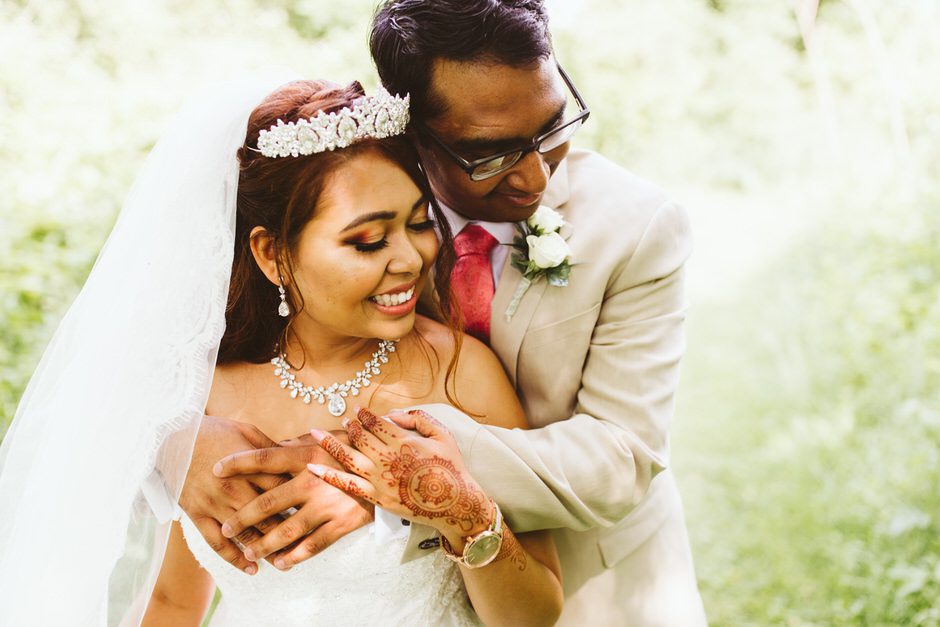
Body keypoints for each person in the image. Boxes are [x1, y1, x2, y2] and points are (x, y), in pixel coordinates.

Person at [182, 1, 707, 625]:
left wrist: (384, 471)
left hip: (596, 569)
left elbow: (621, 457)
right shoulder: (351, 183)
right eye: (490, 153)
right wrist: (171, 443)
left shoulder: (635, 228)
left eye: (551, 126)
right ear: (415, 133)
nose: (535, 176)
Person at [0, 75, 565, 626]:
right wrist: (174, 442)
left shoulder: (460, 373)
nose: (411, 259)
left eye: (418, 223)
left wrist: (462, 512)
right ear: (272, 254)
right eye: (368, 241)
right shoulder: (201, 398)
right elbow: (173, 600)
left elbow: (535, 614)